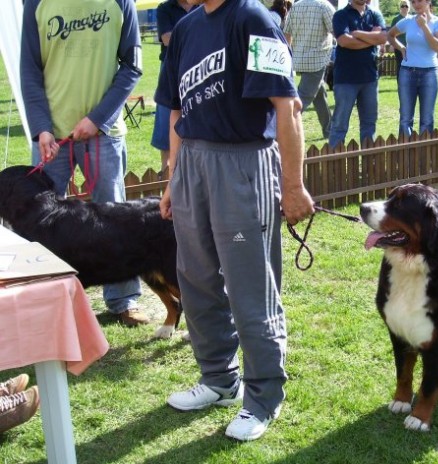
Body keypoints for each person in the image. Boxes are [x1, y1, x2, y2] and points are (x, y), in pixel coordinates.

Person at [155, 0, 315, 441]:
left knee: (250, 288)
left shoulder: (254, 19)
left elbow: (287, 106)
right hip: (193, 164)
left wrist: (294, 184)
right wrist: (173, 180)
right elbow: (175, 110)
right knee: (196, 279)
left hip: (244, 164)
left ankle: (263, 397)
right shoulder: (186, 28)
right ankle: (219, 380)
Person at [20, 0, 148, 327]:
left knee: (115, 217)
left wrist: (98, 118)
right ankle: (48, 303)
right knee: (41, 225)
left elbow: (132, 65)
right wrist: (41, 128)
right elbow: (29, 70)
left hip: (103, 133)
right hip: (52, 137)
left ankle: (123, 300)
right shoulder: (35, 3)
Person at [328, 0, 387, 148]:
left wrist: (358, 34)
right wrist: (371, 39)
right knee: (339, 126)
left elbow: (383, 38)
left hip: (370, 78)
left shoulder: (375, 14)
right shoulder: (340, 15)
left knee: (369, 125)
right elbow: (344, 41)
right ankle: (336, 168)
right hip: (346, 79)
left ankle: (369, 168)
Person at [387, 0, 438, 137]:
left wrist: (424, 27)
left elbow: (437, 47)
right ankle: (405, 156)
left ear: (428, 2)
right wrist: (401, 48)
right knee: (405, 119)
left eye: (419, 1)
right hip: (407, 73)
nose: (416, 4)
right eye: (413, 1)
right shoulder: (408, 21)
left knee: (427, 120)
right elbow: (390, 35)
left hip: (429, 73)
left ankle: (424, 156)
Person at [152, 0, 195, 177]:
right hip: (172, 68)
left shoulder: (201, 6)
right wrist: (197, 37)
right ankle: (166, 171)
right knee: (165, 121)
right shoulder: (165, 8)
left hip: (196, 66)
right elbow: (167, 39)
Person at [283, 0, 335, 139]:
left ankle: (329, 131)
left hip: (299, 59)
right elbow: (336, 31)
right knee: (302, 100)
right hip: (317, 60)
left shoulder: (296, 6)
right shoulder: (324, 6)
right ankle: (280, 133)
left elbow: (287, 34)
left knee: (319, 95)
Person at [390, 1, 410, 78]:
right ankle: (400, 85)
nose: (404, 8)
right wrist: (392, 44)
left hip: (410, 47)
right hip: (398, 46)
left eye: (406, 6)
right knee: (400, 65)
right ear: (400, 7)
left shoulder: (411, 19)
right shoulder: (396, 19)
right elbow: (391, 34)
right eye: (402, 6)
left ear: (409, 8)